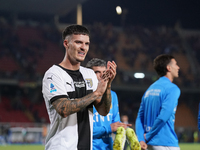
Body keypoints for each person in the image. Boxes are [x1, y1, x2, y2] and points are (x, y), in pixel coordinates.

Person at [42, 24, 117, 150]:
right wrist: (96, 93)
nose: (83, 47)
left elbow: (103, 111)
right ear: (66, 43)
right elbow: (63, 109)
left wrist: (108, 85)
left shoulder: (89, 74)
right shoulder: (54, 74)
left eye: (87, 44)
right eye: (78, 42)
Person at [135, 54, 181, 150]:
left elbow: (140, 118)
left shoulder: (149, 90)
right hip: (166, 142)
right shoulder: (172, 89)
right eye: (175, 64)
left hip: (149, 145)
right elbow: (163, 117)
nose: (178, 67)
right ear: (169, 68)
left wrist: (141, 139)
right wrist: (148, 136)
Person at [86, 58, 132, 150]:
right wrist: (109, 128)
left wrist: (122, 129)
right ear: (89, 75)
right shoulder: (85, 97)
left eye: (104, 71)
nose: (102, 75)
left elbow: (115, 123)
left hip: (109, 147)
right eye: (97, 72)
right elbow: (83, 131)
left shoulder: (113, 95)